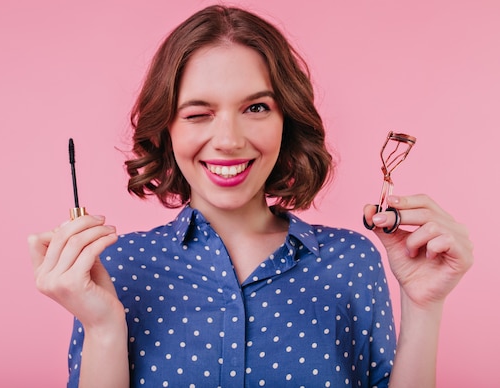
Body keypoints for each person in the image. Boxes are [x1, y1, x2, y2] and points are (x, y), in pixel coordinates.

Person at [28, 5, 473, 387]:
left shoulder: (351, 262)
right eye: (198, 113)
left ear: (286, 119)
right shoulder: (119, 268)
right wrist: (103, 327)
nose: (228, 140)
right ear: (168, 128)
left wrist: (423, 306)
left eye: (255, 108)